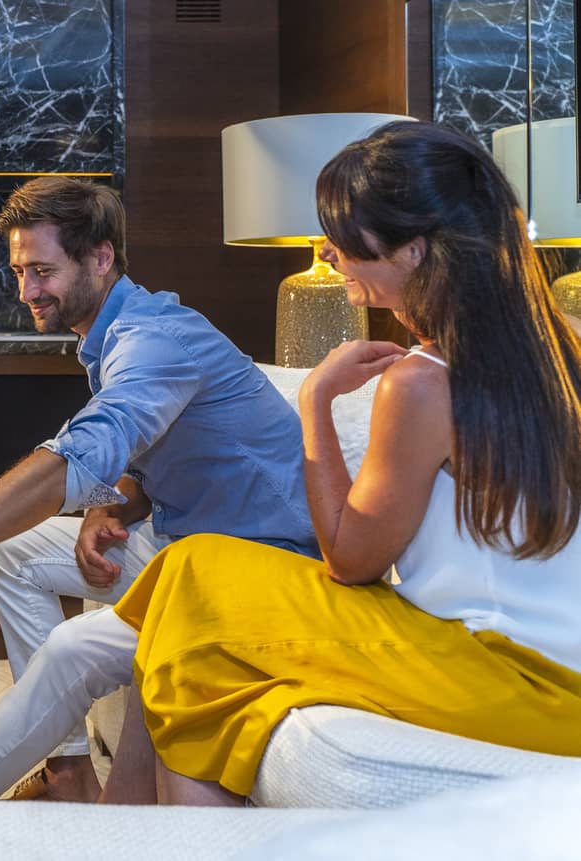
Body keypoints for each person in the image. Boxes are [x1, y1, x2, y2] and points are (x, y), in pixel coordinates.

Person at [108, 120, 581, 805]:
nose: (328, 253)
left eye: (347, 238)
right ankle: (126, 827)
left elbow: (351, 561)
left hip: (498, 675)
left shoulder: (423, 383)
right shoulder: (562, 344)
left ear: (415, 250)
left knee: (192, 583)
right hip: (560, 680)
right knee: (193, 581)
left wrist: (317, 400)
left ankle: (125, 825)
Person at [0, 176, 318, 800]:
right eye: (19, 271)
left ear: (101, 257)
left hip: (265, 569)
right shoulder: (117, 332)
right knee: (11, 550)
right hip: (187, 550)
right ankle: (69, 770)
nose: (27, 291)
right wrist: (118, 500)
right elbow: (167, 449)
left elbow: (81, 450)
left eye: (43, 271)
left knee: (74, 651)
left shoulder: (155, 340)